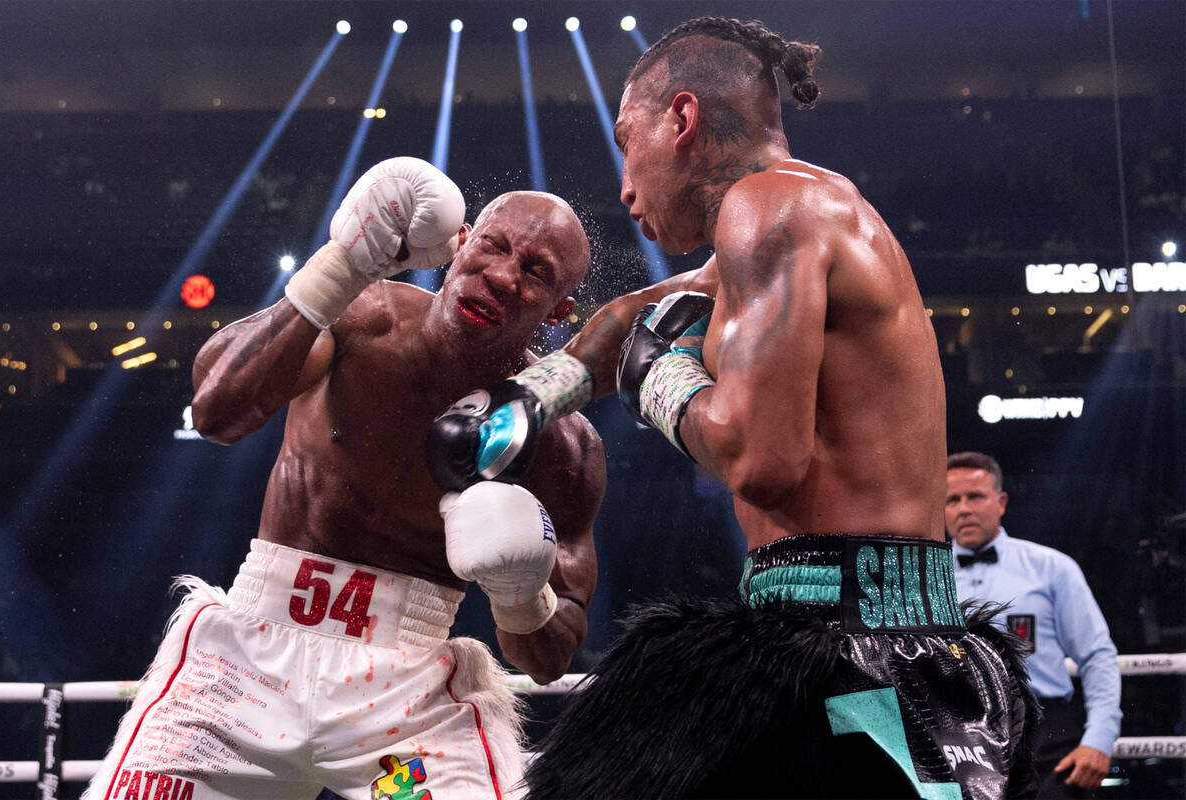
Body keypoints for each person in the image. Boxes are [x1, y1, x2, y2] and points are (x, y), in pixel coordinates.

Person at [427, 16, 1038, 800]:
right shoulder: (785, 218)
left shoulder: (769, 209)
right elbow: (622, 327)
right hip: (832, 638)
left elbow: (760, 457)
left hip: (861, 658)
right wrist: (519, 405)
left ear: (681, 120)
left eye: (626, 140)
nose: (624, 185)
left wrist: (661, 377)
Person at [82, 157, 606, 800]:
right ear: (461, 240)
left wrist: (523, 594)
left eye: (534, 273)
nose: (501, 276)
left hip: (397, 723)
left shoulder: (562, 445)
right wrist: (337, 270)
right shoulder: (364, 316)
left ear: (560, 311)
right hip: (243, 683)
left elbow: (550, 658)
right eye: (494, 246)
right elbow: (216, 412)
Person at [946, 451, 1122, 798]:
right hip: (958, 730)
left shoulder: (1052, 568)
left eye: (975, 496)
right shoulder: (928, 577)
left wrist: (1100, 738)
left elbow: (1097, 655)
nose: (964, 508)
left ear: (1001, 502)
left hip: (1047, 730)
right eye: (953, 500)